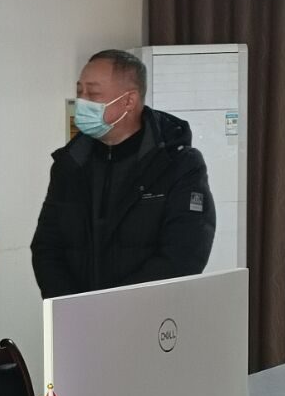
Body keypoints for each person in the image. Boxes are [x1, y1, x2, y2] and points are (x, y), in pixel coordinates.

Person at [30, 48, 217, 298]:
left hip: (148, 311)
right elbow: (47, 246)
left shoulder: (179, 164)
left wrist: (117, 306)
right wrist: (71, 305)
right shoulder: (69, 164)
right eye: (79, 92)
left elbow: (184, 254)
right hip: (76, 313)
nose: (81, 102)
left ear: (129, 101)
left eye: (93, 94)